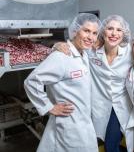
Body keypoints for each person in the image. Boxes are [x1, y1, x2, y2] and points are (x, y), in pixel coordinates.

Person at [53, 15, 134, 152]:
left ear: (124, 34)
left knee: (112, 141)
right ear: (103, 32)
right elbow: (74, 46)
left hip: (122, 106)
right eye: (110, 29)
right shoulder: (92, 50)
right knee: (97, 139)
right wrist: (57, 45)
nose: (114, 33)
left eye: (119, 30)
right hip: (98, 105)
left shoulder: (129, 52)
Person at [24, 13, 101, 152]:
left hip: (82, 122)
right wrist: (48, 107)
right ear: (75, 30)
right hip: (70, 125)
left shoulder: (84, 54)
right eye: (86, 31)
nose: (91, 37)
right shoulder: (62, 57)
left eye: (95, 33)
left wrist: (54, 45)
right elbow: (32, 81)